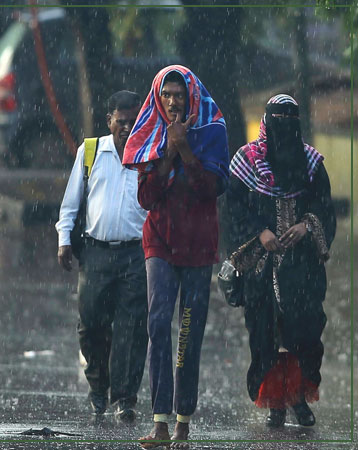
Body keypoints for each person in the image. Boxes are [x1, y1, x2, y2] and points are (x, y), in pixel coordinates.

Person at [121, 65, 228, 449]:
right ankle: (160, 422)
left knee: (189, 330)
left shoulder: (213, 130)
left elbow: (210, 189)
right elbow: (147, 197)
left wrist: (185, 147)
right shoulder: (148, 131)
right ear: (157, 97)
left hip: (199, 245)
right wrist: (168, 151)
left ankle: (183, 422)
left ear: (191, 97)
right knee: (158, 322)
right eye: (165, 95)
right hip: (160, 242)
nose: (171, 101)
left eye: (178, 95)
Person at [227, 94, 335, 427]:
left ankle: (299, 398)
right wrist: (260, 233)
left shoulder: (311, 163)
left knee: (303, 331)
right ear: (267, 122)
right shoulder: (246, 162)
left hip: (302, 269)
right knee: (266, 333)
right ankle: (275, 401)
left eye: (291, 121)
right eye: (279, 120)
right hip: (261, 267)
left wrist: (306, 226)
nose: (284, 129)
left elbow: (325, 207)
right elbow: (232, 209)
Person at [55, 90, 148, 421]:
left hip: (137, 255)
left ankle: (125, 397)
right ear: (109, 121)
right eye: (120, 121)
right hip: (95, 252)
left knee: (133, 328)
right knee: (91, 324)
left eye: (133, 121)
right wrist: (64, 240)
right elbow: (71, 202)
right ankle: (98, 387)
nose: (126, 127)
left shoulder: (151, 153)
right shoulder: (90, 151)